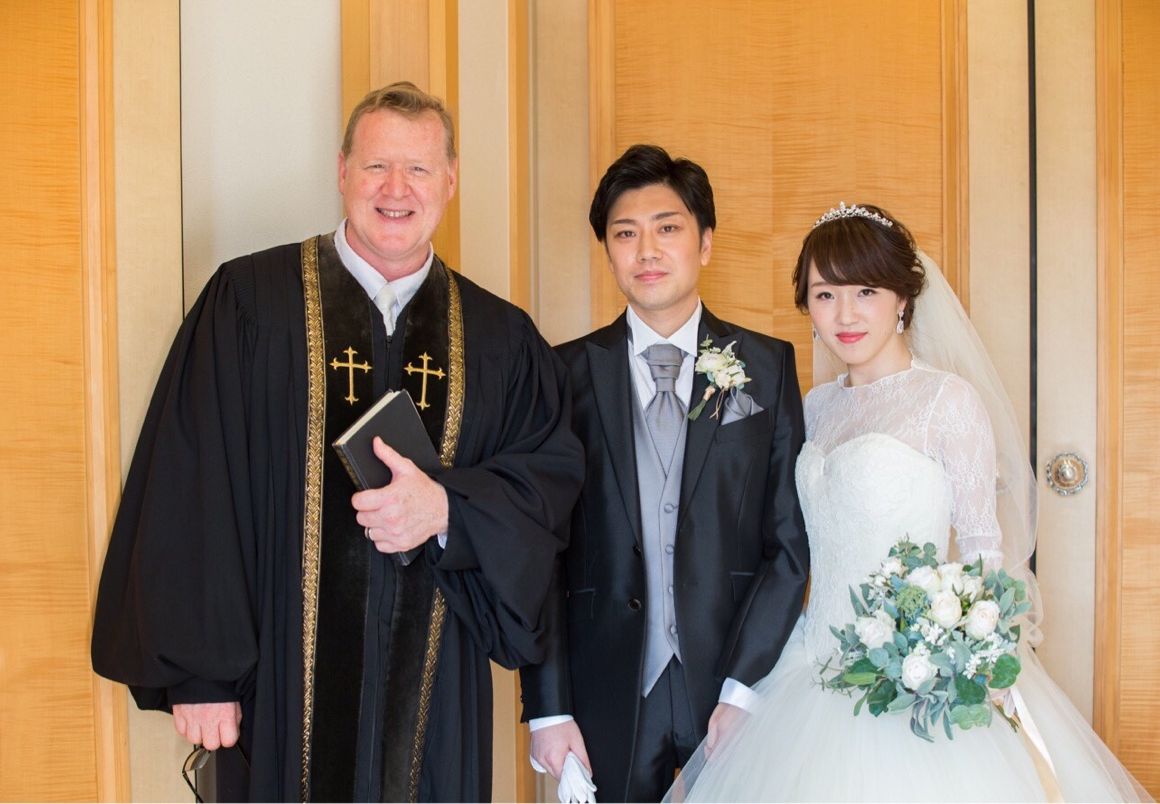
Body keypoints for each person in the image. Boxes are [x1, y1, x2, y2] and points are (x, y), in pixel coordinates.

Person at [91, 81, 584, 802]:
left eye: (418, 169)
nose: (396, 189)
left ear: (450, 180)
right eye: (376, 165)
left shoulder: (499, 340)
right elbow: (192, 481)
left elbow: (547, 491)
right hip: (278, 689)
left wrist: (450, 510)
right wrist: (201, 674)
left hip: (435, 700)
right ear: (342, 170)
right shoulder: (249, 305)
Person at [666, 202, 1149, 801]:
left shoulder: (947, 401)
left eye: (865, 291)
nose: (845, 314)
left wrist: (964, 648)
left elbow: (982, 548)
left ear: (902, 299)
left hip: (911, 671)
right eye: (825, 294)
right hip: (811, 660)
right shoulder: (816, 405)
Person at [519, 144, 810, 802]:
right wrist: (548, 708)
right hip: (605, 690)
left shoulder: (766, 368)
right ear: (608, 251)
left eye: (667, 228)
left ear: (704, 242)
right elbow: (542, 553)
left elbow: (788, 546)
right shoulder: (561, 374)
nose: (646, 250)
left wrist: (746, 688)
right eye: (625, 233)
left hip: (733, 687)